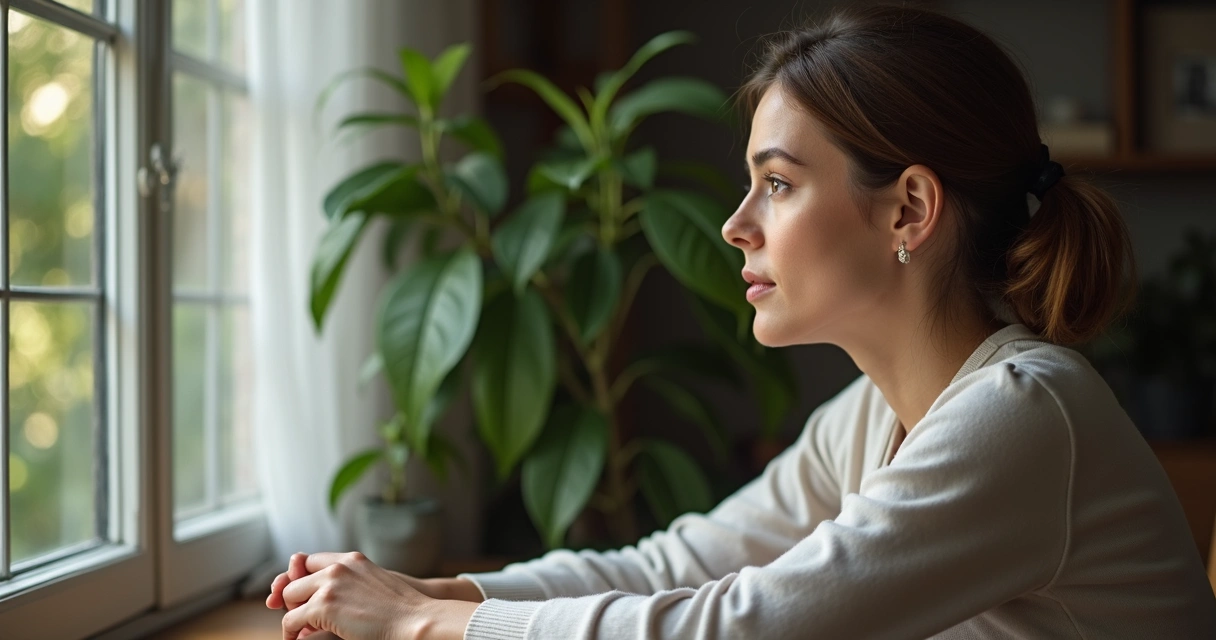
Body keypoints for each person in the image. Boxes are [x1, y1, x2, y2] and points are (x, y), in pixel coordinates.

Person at [266, 4, 1216, 638]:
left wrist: (423, 624)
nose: (734, 225)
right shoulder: (871, 418)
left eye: (779, 184)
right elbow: (677, 565)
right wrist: (451, 592)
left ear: (909, 210)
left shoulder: (1023, 413)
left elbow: (744, 627)